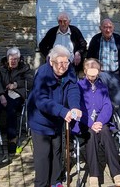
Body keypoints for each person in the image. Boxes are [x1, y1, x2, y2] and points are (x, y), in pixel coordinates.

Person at [27, 45, 82, 187]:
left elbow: (73, 89)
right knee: (43, 156)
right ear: (51, 62)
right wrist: (63, 111)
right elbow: (41, 100)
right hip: (41, 121)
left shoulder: (69, 70)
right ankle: (42, 184)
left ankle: (56, 182)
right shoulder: (43, 74)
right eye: (60, 63)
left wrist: (75, 106)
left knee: (57, 152)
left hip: (57, 121)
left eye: (66, 62)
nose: (63, 66)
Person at [76, 59, 120, 187]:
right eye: (90, 69)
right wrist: (91, 123)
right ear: (85, 71)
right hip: (85, 122)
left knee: (106, 132)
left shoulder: (102, 86)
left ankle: (116, 173)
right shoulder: (79, 86)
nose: (93, 73)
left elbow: (107, 106)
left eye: (96, 69)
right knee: (91, 135)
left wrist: (99, 121)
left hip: (101, 121)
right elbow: (79, 108)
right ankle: (94, 175)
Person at [86, 18, 120, 130]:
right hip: (100, 76)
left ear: (113, 28)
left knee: (118, 104)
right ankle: (103, 130)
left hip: (115, 75)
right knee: (100, 104)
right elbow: (89, 58)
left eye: (110, 27)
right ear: (101, 28)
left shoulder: (119, 39)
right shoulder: (96, 39)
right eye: (105, 27)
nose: (107, 29)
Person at [0, 47, 34, 154]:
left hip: (17, 95)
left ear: (19, 59)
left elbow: (30, 81)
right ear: (7, 58)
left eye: (15, 59)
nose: (13, 61)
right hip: (2, 94)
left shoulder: (25, 68)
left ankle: (12, 139)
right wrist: (1, 95)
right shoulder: (1, 68)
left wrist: (16, 85)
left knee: (11, 109)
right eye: (11, 59)